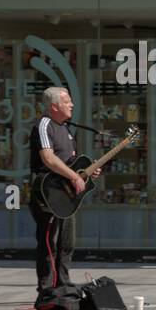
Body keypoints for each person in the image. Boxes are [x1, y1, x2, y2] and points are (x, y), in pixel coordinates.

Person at [29, 86, 100, 295]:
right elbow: (48, 159)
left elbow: (71, 162)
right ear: (54, 106)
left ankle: (64, 282)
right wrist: (74, 176)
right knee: (49, 240)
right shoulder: (44, 125)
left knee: (67, 241)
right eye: (67, 101)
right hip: (48, 191)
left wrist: (86, 173)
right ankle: (47, 288)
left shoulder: (67, 129)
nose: (72, 104)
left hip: (67, 195)